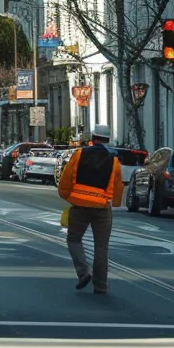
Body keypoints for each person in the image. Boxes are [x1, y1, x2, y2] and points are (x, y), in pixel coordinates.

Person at [57, 124, 123, 294]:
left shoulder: (79, 154)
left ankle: (83, 272)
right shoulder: (113, 160)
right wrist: (114, 203)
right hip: (101, 208)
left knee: (73, 239)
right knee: (101, 247)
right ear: (107, 139)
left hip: (79, 206)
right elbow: (117, 185)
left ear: (93, 138)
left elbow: (66, 177)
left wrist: (66, 195)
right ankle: (100, 285)